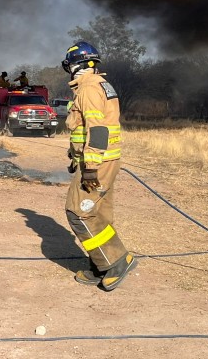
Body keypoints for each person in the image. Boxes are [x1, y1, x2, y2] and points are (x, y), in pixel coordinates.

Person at [62, 41, 136, 291]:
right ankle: (99, 264)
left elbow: (99, 129)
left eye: (71, 64)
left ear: (78, 65)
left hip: (98, 162)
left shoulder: (89, 89)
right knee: (99, 213)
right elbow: (85, 129)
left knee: (79, 213)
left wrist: (90, 166)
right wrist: (77, 158)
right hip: (104, 160)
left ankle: (116, 262)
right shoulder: (100, 85)